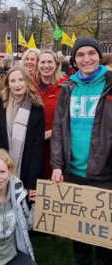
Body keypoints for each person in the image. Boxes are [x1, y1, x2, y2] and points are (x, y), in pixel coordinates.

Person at [51, 36, 112, 265]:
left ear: (99, 55)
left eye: (91, 53)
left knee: (105, 239)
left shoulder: (110, 83)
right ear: (74, 59)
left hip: (105, 173)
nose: (86, 59)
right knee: (80, 235)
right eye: (80, 55)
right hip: (74, 172)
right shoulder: (68, 87)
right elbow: (58, 129)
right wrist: (57, 165)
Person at [0, 65, 45, 195]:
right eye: (13, 81)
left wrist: (33, 182)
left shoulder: (36, 108)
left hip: (24, 169)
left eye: (21, 80)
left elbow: (38, 149)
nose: (17, 84)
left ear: (27, 82)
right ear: (8, 84)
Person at [33, 50, 68, 179]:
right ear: (37, 64)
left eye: (49, 62)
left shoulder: (66, 86)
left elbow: (70, 118)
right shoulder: (29, 85)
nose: (46, 66)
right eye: (42, 62)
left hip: (57, 147)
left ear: (56, 64)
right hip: (32, 145)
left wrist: (51, 133)